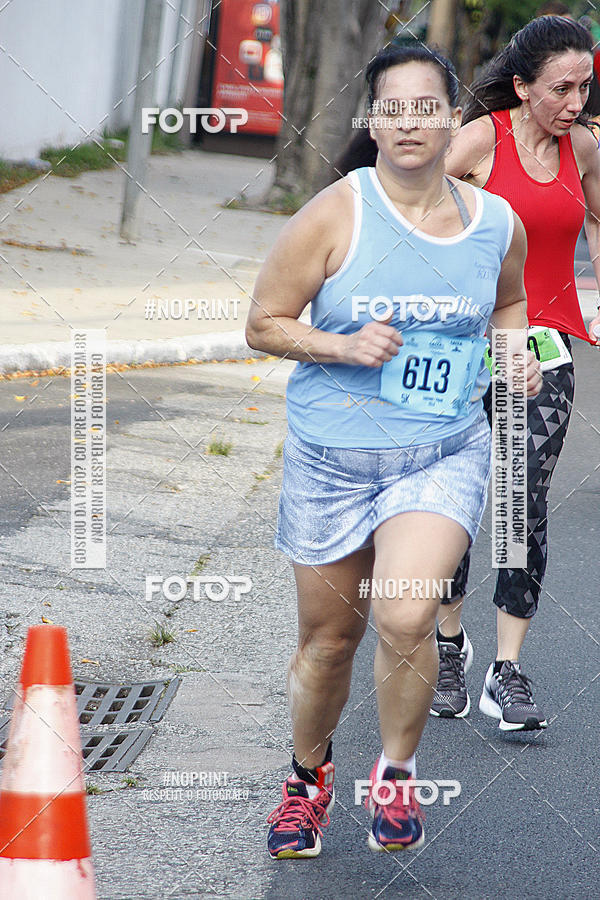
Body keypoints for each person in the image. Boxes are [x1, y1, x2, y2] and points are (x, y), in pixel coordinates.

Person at [246, 43, 541, 858]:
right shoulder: (335, 213)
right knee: (327, 642)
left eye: (426, 107)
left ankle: (398, 775)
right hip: (331, 457)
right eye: (393, 107)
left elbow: (511, 302)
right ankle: (307, 780)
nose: (409, 121)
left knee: (407, 611)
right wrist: (343, 348)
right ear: (372, 120)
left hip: (440, 449)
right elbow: (263, 323)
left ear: (454, 119)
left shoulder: (495, 222)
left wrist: (514, 353)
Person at [430, 15, 600, 730]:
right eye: (561, 88)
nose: (575, 103)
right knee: (462, 498)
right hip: (471, 343)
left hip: (548, 343)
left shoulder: (585, 147)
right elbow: (417, 220)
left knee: (521, 498)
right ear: (523, 87)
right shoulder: (478, 141)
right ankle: (447, 646)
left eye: (585, 87)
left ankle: (506, 670)